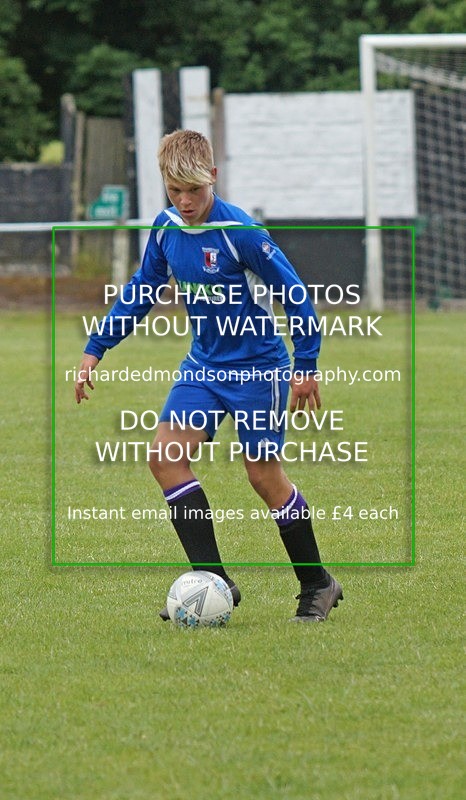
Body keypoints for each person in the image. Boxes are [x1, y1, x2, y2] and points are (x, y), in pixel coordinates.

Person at [75, 129, 343, 623]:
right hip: (202, 367)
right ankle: (213, 582)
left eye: (193, 190)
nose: (184, 200)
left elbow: (297, 295)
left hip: (260, 371)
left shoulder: (243, 233)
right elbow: (142, 289)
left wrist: (306, 365)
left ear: (213, 178)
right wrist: (97, 347)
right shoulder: (165, 228)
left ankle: (317, 583)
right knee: (165, 459)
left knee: (263, 477)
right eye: (174, 191)